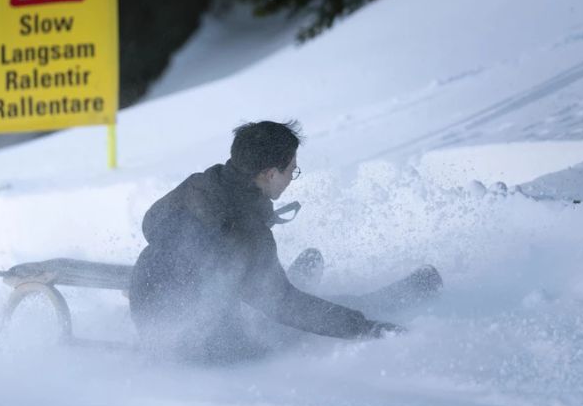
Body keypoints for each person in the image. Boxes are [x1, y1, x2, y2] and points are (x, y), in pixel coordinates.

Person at [128, 120, 405, 364]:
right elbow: (283, 306)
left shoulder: (200, 185)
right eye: (291, 171)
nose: (291, 179)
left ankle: (283, 284)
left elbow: (151, 223)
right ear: (270, 173)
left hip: (147, 313)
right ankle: (366, 309)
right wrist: (363, 328)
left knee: (254, 291)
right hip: (200, 349)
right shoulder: (247, 233)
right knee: (279, 322)